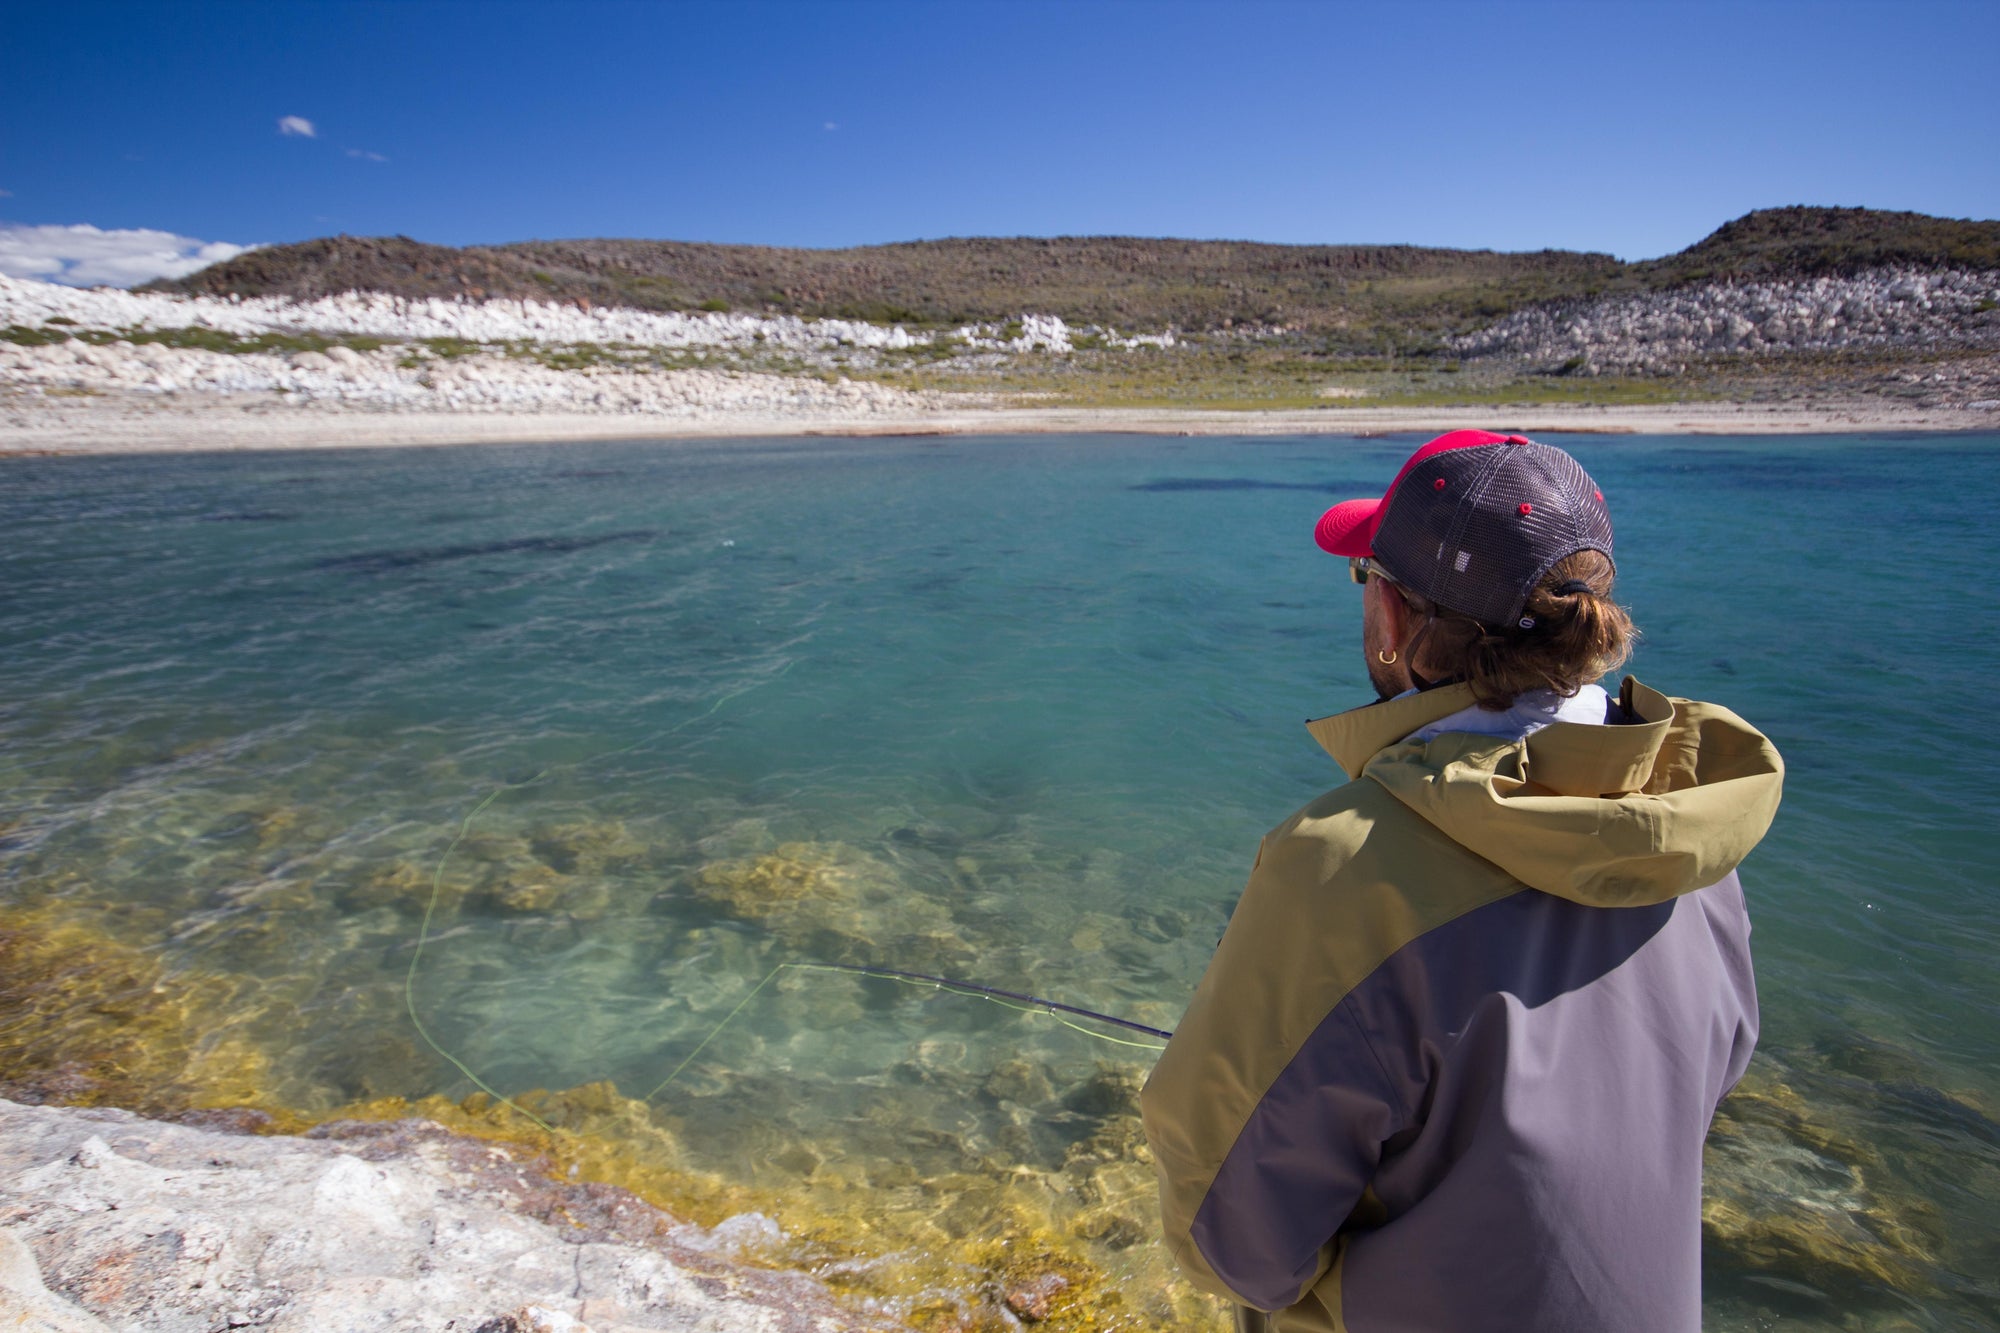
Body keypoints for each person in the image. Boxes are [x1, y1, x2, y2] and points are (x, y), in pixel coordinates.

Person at [1140, 430, 1783, 1333]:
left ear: (1396, 620)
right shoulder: (1699, 830)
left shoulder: (1339, 864)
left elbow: (1230, 1244)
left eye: (1364, 578)